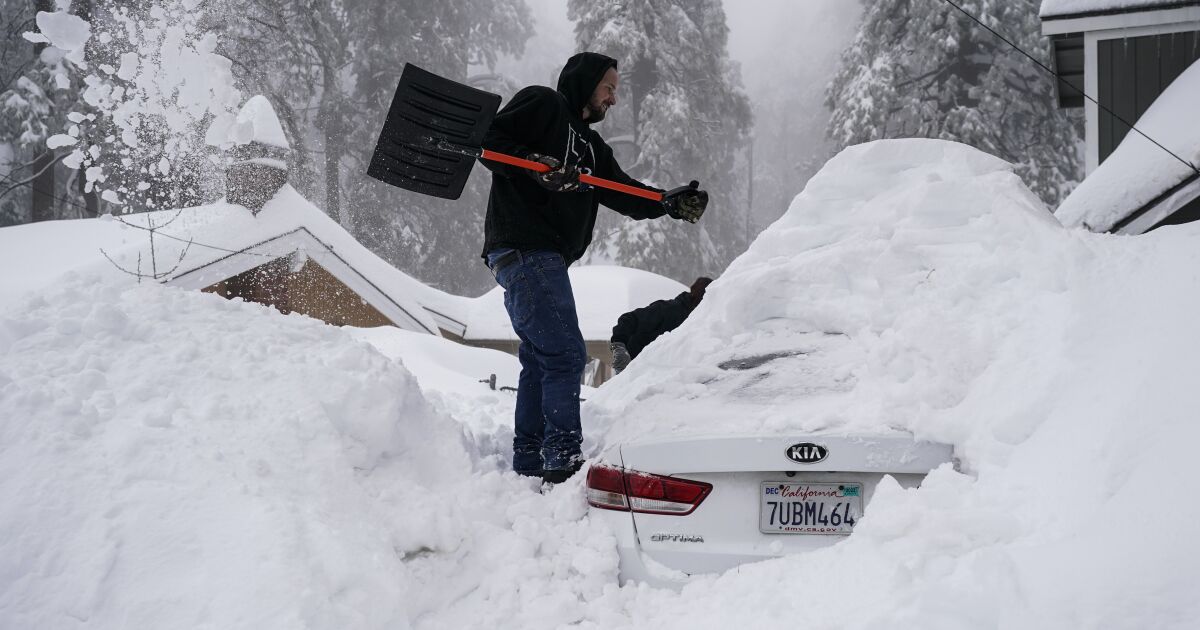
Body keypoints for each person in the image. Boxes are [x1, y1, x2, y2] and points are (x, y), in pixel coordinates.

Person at [480, 52, 709, 484]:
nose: (614, 99)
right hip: (526, 246)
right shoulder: (543, 104)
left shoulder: (592, 148)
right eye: (609, 88)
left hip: (541, 258)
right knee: (567, 354)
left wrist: (667, 202)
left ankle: (530, 457)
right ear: (586, 84)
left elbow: (623, 192)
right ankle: (562, 458)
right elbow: (490, 142)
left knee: (541, 358)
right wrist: (538, 166)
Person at [610, 277, 713, 374]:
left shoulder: (702, 322)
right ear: (702, 297)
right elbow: (629, 319)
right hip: (632, 368)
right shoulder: (668, 310)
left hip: (660, 373)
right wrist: (619, 346)